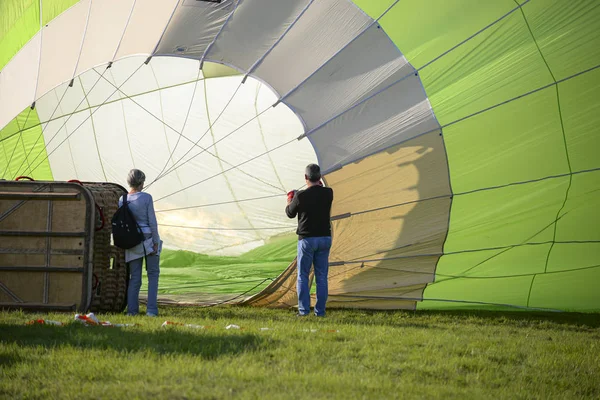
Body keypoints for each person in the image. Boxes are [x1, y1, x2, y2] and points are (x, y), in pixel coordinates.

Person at [285, 164, 333, 317]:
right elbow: (320, 190)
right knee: (321, 277)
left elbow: (290, 213)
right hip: (324, 238)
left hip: (307, 240)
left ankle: (304, 311)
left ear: (306, 178)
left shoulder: (300, 196)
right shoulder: (329, 193)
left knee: (303, 276)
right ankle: (320, 312)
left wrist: (289, 200)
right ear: (319, 177)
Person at [118, 169, 161, 317]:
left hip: (131, 241)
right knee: (153, 275)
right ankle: (151, 310)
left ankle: (132, 311)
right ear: (142, 182)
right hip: (148, 239)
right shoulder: (147, 198)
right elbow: (152, 223)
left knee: (135, 277)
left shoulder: (122, 199)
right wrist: (155, 242)